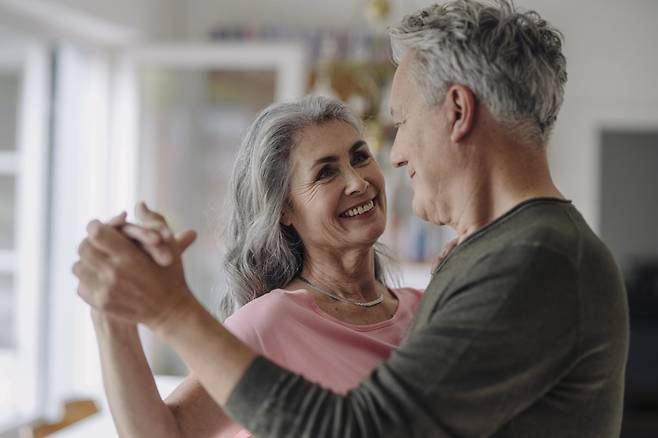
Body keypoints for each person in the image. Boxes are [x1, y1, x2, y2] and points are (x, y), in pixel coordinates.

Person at [74, 1, 630, 436]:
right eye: (325, 172)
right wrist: (116, 314)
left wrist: (171, 310)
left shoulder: (532, 259)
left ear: (457, 112)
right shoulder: (496, 254)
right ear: (285, 212)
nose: (398, 154)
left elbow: (365, 430)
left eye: (402, 122)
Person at [77, 96, 422, 437]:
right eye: (326, 173)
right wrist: (111, 319)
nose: (358, 182)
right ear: (285, 210)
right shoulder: (270, 322)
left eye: (360, 157)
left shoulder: (427, 306)